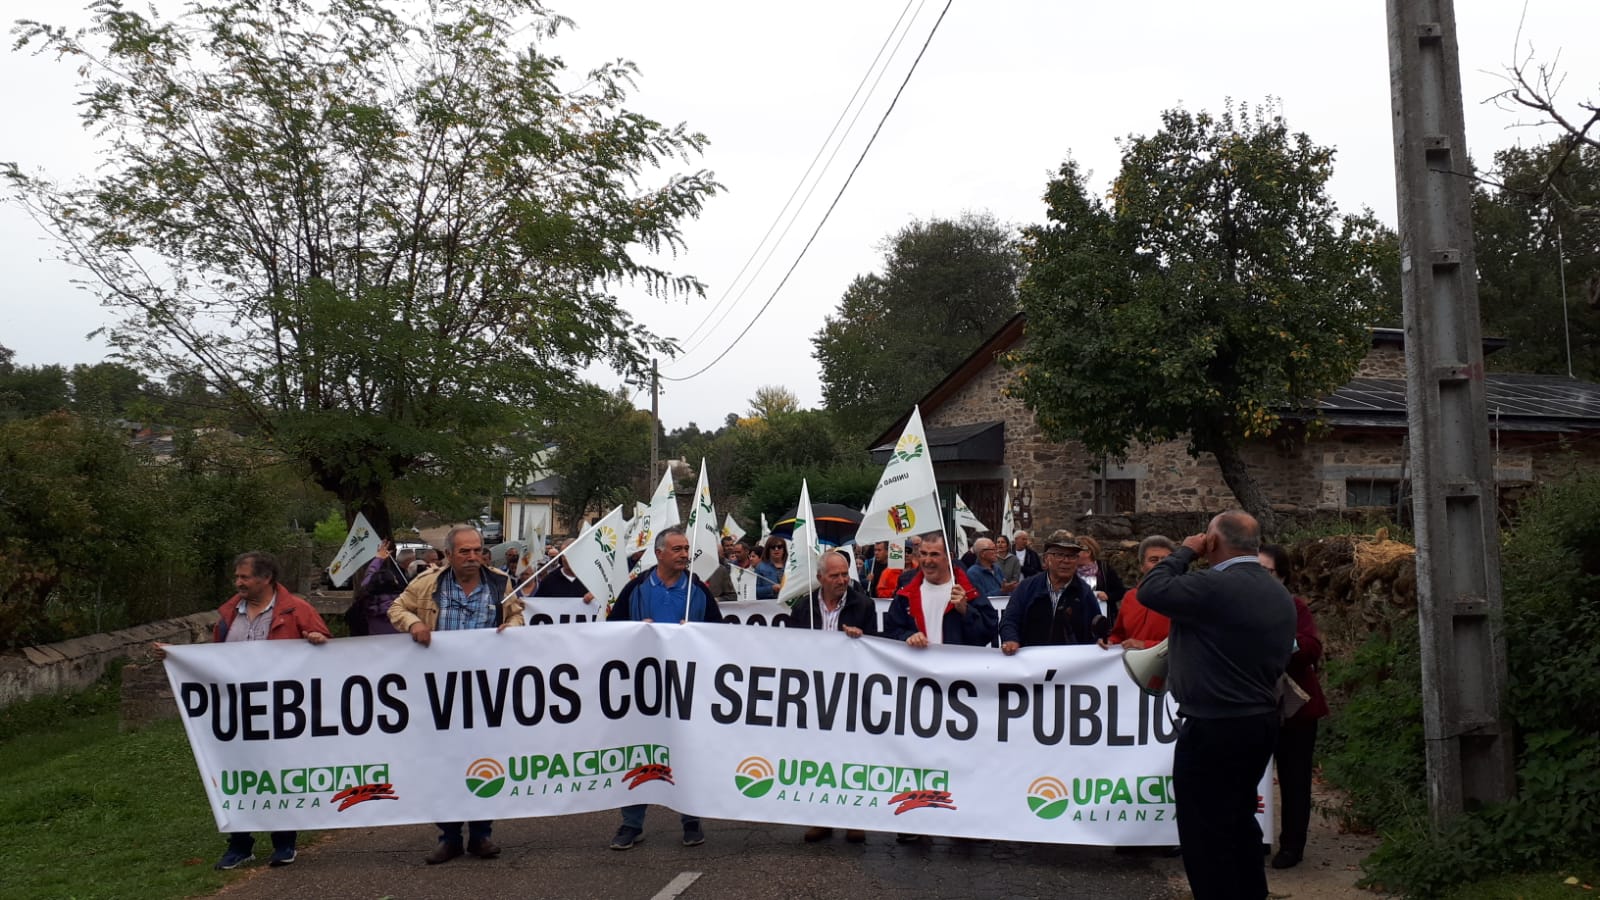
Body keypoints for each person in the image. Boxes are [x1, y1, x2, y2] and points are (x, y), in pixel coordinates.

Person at [1137, 511, 1296, 900]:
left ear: (1214, 541)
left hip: (1213, 725)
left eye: (1206, 537)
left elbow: (1151, 590)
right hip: (1258, 722)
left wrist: (1185, 552)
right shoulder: (1279, 593)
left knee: (1204, 833)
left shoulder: (1214, 586)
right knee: (1239, 820)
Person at [152, 551, 331, 870]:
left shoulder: (296, 609)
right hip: (237, 712)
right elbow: (216, 659)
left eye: (244, 577)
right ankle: (239, 844)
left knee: (278, 774)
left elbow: (327, 649)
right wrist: (178, 657)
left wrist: (317, 639)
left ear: (266, 578)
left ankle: (284, 842)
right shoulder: (229, 614)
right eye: (237, 577)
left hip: (281, 712)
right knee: (234, 774)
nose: (238, 583)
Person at [389, 526, 524, 865]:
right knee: (444, 764)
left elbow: (517, 612)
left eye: (477, 550)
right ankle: (449, 837)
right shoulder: (427, 584)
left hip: (485, 691)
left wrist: (515, 627)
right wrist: (413, 625)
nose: (473, 557)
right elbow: (397, 608)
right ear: (449, 555)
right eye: (464, 551)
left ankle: (481, 834)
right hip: (440, 692)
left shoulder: (498, 583)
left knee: (484, 761)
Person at [606, 525, 725, 849]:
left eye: (686, 549)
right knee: (640, 752)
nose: (685, 554)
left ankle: (690, 819)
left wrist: (697, 632)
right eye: (678, 549)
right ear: (659, 553)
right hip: (643, 689)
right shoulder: (636, 589)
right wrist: (633, 630)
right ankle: (631, 823)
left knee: (686, 751)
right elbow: (609, 632)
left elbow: (720, 636)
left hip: (687, 689)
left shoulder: (697, 591)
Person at [883, 532, 995, 843]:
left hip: (959, 689)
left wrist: (964, 610)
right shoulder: (907, 588)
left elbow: (987, 632)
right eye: (924, 554)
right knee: (918, 753)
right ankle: (918, 819)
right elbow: (891, 629)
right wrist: (908, 635)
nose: (929, 561)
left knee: (961, 754)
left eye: (935, 554)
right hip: (920, 686)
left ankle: (964, 821)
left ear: (947, 556)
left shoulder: (966, 590)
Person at [789, 549, 879, 844]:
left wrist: (860, 639)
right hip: (814, 692)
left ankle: (854, 819)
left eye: (845, 574)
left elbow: (877, 648)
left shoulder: (863, 604)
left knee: (852, 754)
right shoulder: (803, 607)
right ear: (820, 578)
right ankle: (821, 818)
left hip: (850, 691)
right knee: (818, 756)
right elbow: (787, 646)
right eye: (835, 575)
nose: (842, 580)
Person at [1258, 543, 1328, 871]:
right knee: (1246, 777)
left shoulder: (1295, 607)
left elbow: (1311, 648)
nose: (1262, 577)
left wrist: (1280, 642)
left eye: (1268, 571)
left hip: (1294, 709)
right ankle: (1253, 837)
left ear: (1282, 575)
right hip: (1250, 706)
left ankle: (1292, 845)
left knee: (1295, 778)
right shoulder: (1235, 607)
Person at [999, 530, 1101, 653]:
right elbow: (1010, 619)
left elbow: (1096, 627)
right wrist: (1011, 639)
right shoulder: (1027, 588)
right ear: (1046, 559)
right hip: (1031, 663)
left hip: (1071, 664)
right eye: (1059, 555)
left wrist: (1100, 639)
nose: (1066, 561)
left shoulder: (1084, 592)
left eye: (1072, 556)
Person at [1101, 535, 1177, 649]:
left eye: (1166, 560)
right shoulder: (1130, 597)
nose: (1161, 565)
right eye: (1154, 560)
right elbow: (1119, 634)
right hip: (1131, 665)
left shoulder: (1184, 597)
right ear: (1142, 566)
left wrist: (1145, 645)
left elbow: (1190, 644)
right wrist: (1109, 641)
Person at [354, 540, 408, 635]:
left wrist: (378, 559)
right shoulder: (403, 602)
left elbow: (369, 577)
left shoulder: (367, 601)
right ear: (394, 583)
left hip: (375, 644)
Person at [1075, 535, 1127, 627]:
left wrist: (1108, 596)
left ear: (1088, 552)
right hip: (1078, 620)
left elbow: (1120, 591)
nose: (1073, 555)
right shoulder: (1070, 571)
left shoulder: (1105, 569)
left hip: (1102, 619)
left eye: (1076, 551)